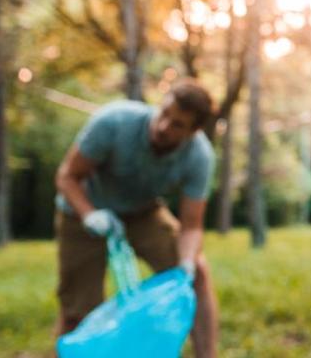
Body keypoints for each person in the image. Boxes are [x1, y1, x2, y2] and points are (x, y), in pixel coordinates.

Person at [54, 79, 219, 357]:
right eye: (165, 113)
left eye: (178, 124)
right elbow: (67, 176)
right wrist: (90, 215)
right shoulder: (114, 121)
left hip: (143, 212)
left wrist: (187, 263)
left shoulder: (199, 156)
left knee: (197, 276)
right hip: (83, 211)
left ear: (194, 131)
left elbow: (191, 225)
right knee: (77, 312)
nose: (164, 126)